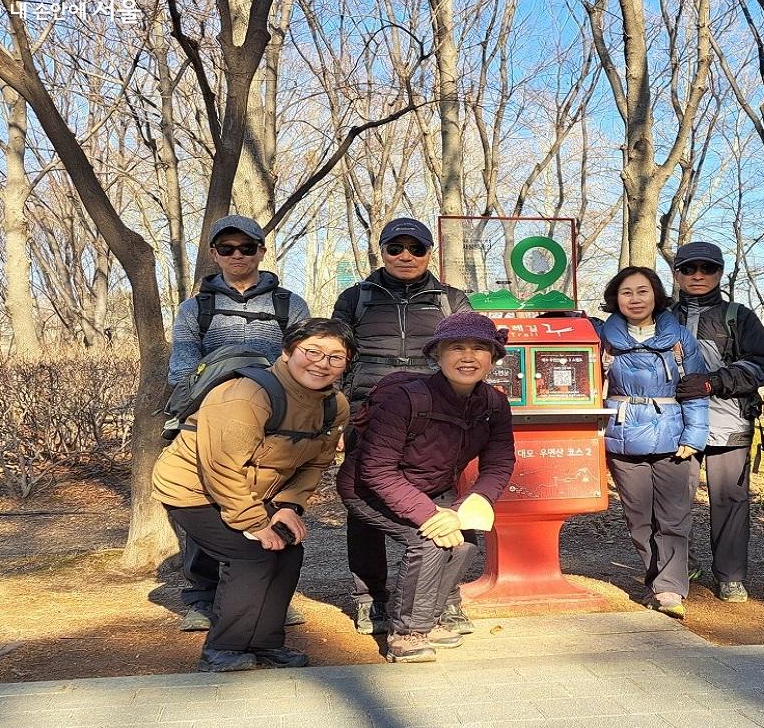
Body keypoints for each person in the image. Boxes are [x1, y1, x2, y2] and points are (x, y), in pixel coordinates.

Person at [153, 318, 353, 672]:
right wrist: (254, 522)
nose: (322, 363)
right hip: (193, 488)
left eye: (336, 357)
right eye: (312, 351)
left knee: (289, 549)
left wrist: (289, 506)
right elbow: (222, 466)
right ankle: (223, 649)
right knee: (251, 554)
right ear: (288, 351)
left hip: (256, 488)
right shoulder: (247, 394)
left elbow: (316, 463)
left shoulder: (333, 405)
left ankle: (266, 643)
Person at [336, 312, 514, 663]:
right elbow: (376, 468)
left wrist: (469, 505)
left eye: (480, 348)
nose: (468, 357)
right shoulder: (406, 399)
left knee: (461, 543)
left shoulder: (494, 403)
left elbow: (500, 463)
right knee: (429, 542)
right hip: (367, 488)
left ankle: (431, 621)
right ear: (437, 355)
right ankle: (407, 633)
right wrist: (430, 515)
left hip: (433, 487)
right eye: (456, 347)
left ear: (492, 358)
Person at [168, 214, 311, 632]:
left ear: (261, 252)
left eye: (246, 248)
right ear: (214, 254)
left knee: (268, 499)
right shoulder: (196, 307)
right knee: (206, 501)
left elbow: (303, 361)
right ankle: (202, 596)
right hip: (209, 420)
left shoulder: (289, 304)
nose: (237, 255)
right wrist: (197, 413)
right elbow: (182, 367)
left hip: (274, 418)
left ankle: (270, 596)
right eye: (227, 248)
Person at [331, 217, 473, 636]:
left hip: (437, 416)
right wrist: (337, 415)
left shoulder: (452, 300)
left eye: (416, 248)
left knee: (443, 501)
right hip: (367, 416)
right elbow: (338, 358)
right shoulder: (355, 298)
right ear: (383, 252)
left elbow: (469, 353)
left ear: (430, 252)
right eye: (396, 248)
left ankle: (445, 598)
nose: (406, 256)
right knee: (364, 508)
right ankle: (368, 598)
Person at [599, 267, 709, 619]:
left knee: (674, 519)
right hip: (624, 435)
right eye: (627, 292)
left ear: (656, 295)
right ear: (616, 297)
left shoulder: (678, 338)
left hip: (673, 436)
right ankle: (658, 579)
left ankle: (669, 590)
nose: (635, 299)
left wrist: (694, 436)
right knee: (639, 519)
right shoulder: (602, 337)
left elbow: (694, 389)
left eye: (642, 291)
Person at [670, 242, 764, 603]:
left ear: (720, 273)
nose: (698, 275)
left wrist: (714, 381)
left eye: (707, 268)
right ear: (677, 274)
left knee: (730, 500)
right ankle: (677, 570)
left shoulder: (739, 316)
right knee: (673, 501)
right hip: (676, 426)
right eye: (688, 268)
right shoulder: (663, 316)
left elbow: (761, 363)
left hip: (729, 423)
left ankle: (731, 575)